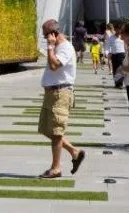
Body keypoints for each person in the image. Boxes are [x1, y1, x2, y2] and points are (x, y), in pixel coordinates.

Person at [39, 18, 86, 178]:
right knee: (46, 129)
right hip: (51, 93)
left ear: (54, 33)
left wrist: (51, 47)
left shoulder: (65, 47)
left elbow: (54, 66)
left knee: (57, 132)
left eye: (46, 35)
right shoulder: (57, 47)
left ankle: (56, 168)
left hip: (60, 93)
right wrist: (52, 47)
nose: (45, 39)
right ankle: (74, 151)